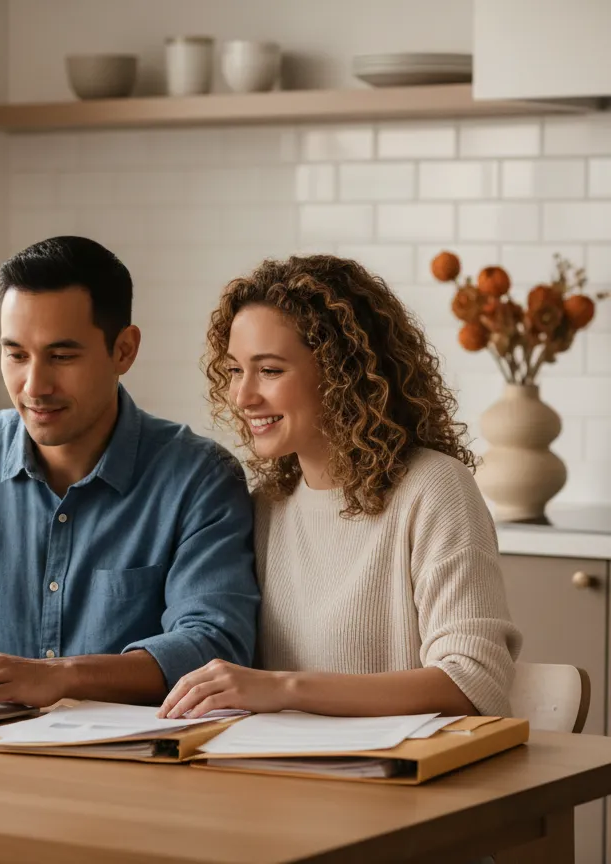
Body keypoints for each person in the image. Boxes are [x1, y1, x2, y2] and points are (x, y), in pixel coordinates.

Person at [0, 236, 259, 715]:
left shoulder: (198, 479)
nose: (34, 386)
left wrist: (59, 678)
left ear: (124, 351)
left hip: (134, 771)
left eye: (62, 357)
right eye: (16, 355)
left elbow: (215, 647)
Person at [159, 254, 522, 721]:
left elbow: (472, 681)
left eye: (269, 370)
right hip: (283, 773)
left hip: (405, 782)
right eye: (234, 370)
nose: (242, 396)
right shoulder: (267, 506)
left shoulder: (433, 489)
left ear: (340, 373)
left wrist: (284, 687)